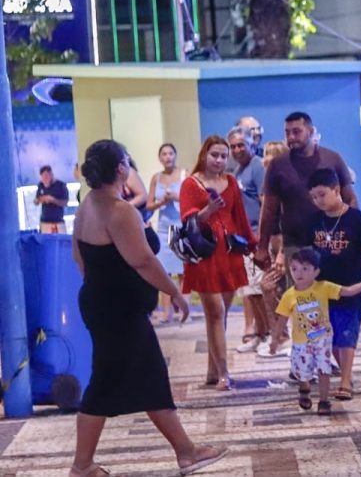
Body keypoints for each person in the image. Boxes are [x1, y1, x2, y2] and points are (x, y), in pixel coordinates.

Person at [69, 139, 225, 477]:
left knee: (144, 376)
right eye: (127, 160)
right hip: (119, 312)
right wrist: (177, 293)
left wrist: (98, 288)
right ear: (121, 169)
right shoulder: (118, 209)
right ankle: (82, 466)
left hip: (101, 305)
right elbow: (143, 260)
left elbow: (78, 256)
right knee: (112, 381)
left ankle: (185, 451)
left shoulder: (87, 205)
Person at [255, 112, 357, 359]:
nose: (291, 137)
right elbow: (269, 209)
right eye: (287, 132)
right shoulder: (279, 165)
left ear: (311, 132)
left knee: (333, 303)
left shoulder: (332, 159)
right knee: (305, 306)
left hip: (332, 244)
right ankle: (308, 361)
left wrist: (356, 236)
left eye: (296, 132)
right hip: (296, 246)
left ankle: (333, 358)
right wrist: (262, 246)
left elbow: (350, 199)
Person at [180, 135, 255, 391]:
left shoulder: (231, 182)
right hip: (205, 253)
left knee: (219, 315)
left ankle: (213, 370)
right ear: (204, 154)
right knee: (215, 313)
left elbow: (241, 219)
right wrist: (208, 210)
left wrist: (254, 247)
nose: (220, 160)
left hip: (230, 253)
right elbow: (188, 222)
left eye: (224, 156)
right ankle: (224, 372)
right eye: (215, 155)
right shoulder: (190, 184)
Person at [302, 168, 361, 401]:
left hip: (351, 288)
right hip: (322, 291)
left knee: (347, 335)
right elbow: (307, 256)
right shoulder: (314, 221)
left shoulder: (355, 219)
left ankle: (345, 381)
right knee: (331, 338)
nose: (318, 201)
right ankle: (345, 373)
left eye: (322, 195)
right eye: (314, 197)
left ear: (337, 190)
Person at [272, 247, 361, 415]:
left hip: (323, 341)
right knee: (302, 372)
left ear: (316, 271)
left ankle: (324, 400)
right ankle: (304, 389)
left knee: (324, 369)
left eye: (305, 269)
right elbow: (281, 319)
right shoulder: (289, 296)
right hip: (301, 344)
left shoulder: (323, 287)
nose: (299, 273)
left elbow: (347, 291)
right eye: (294, 268)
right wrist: (275, 339)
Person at [229, 126, 270, 354]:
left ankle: (271, 336)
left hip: (256, 236)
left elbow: (266, 203)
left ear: (251, 144)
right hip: (242, 240)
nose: (237, 149)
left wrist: (261, 237)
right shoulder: (237, 171)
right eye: (233, 146)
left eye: (241, 145)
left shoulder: (257, 167)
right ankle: (259, 334)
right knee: (250, 291)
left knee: (261, 290)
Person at [146, 145, 186, 325]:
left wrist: (177, 197)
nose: (168, 157)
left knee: (184, 272)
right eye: (164, 154)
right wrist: (161, 201)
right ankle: (166, 312)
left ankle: (185, 310)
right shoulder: (156, 178)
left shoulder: (185, 174)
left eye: (171, 153)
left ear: (175, 155)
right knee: (165, 272)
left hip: (181, 227)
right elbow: (148, 205)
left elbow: (193, 199)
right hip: (163, 229)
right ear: (159, 158)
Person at [36, 165, 69, 233]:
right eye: (43, 177)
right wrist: (41, 199)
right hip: (45, 222)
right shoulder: (41, 185)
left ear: (51, 174)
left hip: (58, 221)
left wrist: (53, 200)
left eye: (46, 176)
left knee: (60, 241)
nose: (45, 179)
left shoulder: (61, 185)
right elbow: (36, 200)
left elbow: (65, 203)